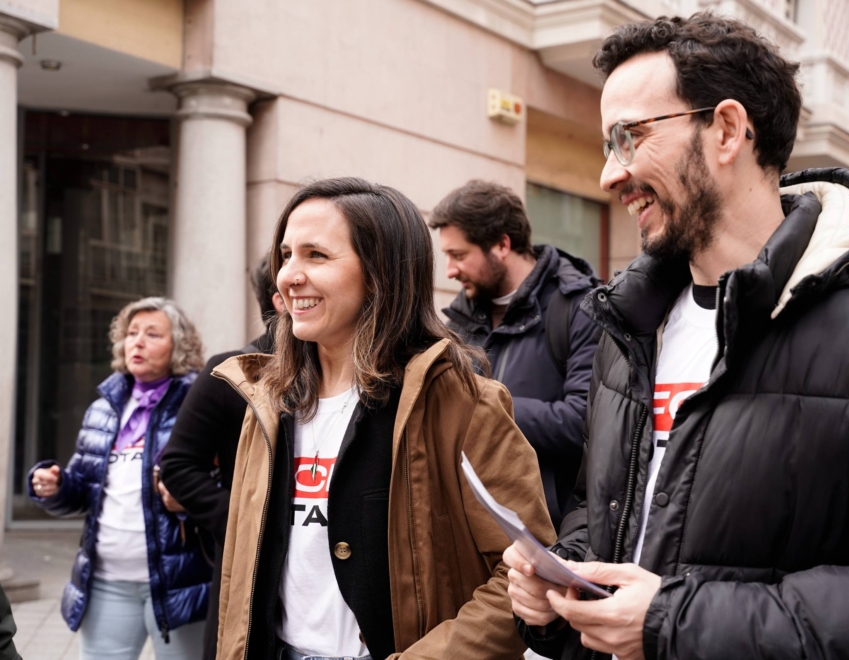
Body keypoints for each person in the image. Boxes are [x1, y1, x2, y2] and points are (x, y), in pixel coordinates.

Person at [508, 13, 849, 660]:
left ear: (727, 131)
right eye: (606, 146)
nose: (609, 176)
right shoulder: (628, 331)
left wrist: (671, 623)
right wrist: (557, 587)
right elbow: (603, 520)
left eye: (629, 137)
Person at [213, 177, 555, 660]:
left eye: (316, 255)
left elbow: (524, 571)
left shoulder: (461, 404)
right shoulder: (266, 403)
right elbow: (238, 576)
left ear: (380, 273)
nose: (288, 276)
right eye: (286, 255)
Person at [28, 297, 212, 660]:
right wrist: (57, 486)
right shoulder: (104, 408)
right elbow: (84, 490)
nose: (137, 342)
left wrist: (189, 501)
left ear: (179, 344)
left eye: (152, 334)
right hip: (107, 581)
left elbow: (226, 487)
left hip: (179, 581)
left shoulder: (200, 401)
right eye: (131, 333)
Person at [429, 181, 601, 530]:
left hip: (552, 534)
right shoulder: (458, 323)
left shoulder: (581, 308)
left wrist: (484, 406)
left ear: (502, 244)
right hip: (473, 528)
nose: (449, 270)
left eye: (459, 255)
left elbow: (585, 423)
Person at [160, 257, 286, 660]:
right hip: (245, 576)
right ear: (281, 299)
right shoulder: (230, 372)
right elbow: (178, 466)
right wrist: (239, 521)